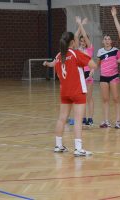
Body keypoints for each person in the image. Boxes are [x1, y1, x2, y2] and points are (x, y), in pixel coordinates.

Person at [43, 19, 97, 156]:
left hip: (64, 92)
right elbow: (93, 65)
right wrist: (85, 58)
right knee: (78, 120)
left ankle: (58, 145)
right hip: (78, 91)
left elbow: (58, 73)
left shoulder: (58, 56)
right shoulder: (76, 54)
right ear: (73, 42)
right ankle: (78, 149)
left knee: (61, 118)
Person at [97, 34, 120, 128]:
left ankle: (118, 121)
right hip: (103, 77)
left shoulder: (116, 50)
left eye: (109, 39)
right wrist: (91, 71)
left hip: (114, 77)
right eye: (105, 39)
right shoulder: (100, 51)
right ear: (103, 41)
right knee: (105, 99)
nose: (107, 41)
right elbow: (98, 64)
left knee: (116, 99)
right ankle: (106, 121)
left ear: (111, 41)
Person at [74, 17, 95, 126]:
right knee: (82, 97)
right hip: (80, 74)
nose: (82, 42)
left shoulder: (90, 48)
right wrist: (80, 24)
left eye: (84, 41)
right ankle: (83, 118)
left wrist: (82, 25)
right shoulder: (77, 50)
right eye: (81, 41)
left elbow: (84, 36)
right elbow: (76, 36)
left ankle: (90, 118)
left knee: (89, 97)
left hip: (88, 74)